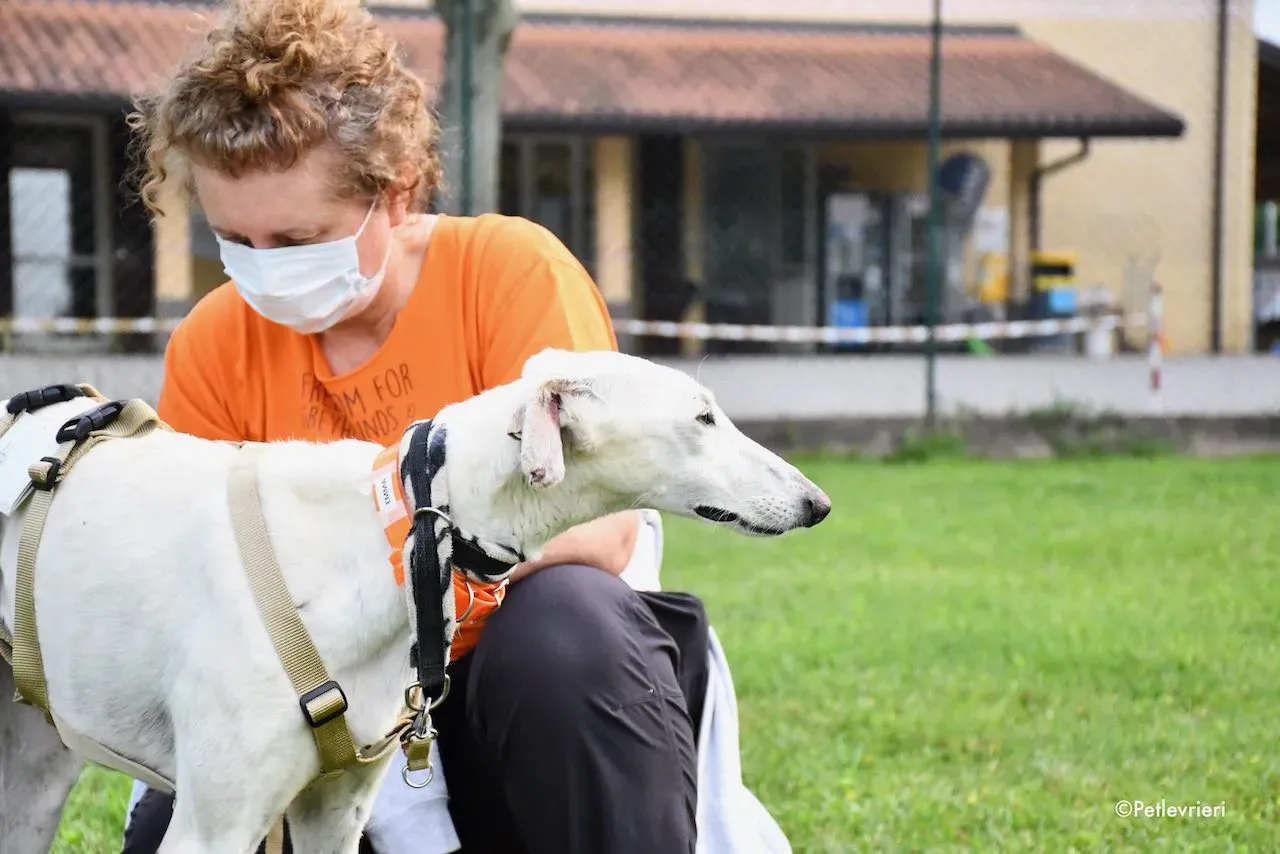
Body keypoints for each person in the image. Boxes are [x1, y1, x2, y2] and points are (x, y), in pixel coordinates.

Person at [117, 0, 708, 851]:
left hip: (509, 688)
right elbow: (191, 588)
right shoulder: (213, 341)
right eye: (234, 239)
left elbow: (600, 528)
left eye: (297, 238)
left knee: (565, 629)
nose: (264, 270)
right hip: (318, 706)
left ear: (393, 195)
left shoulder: (507, 273)